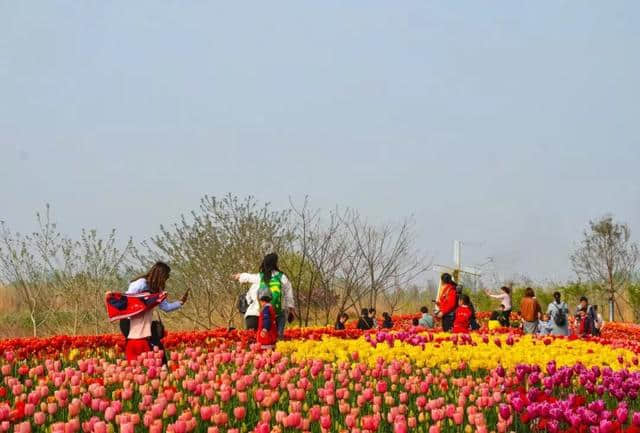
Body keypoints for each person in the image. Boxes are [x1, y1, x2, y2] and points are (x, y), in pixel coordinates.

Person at [124, 262, 188, 362]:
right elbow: (128, 299)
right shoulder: (141, 283)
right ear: (160, 275)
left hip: (145, 323)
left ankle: (159, 371)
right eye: (166, 277)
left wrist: (180, 303)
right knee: (141, 349)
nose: (166, 280)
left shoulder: (157, 289)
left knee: (156, 350)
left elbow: (165, 307)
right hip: (130, 322)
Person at [232, 253, 296, 338]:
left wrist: (239, 276)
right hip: (275, 315)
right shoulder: (282, 277)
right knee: (274, 340)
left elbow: (248, 277)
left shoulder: (260, 276)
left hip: (255, 314)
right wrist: (291, 310)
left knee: (252, 341)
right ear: (275, 263)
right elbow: (289, 295)